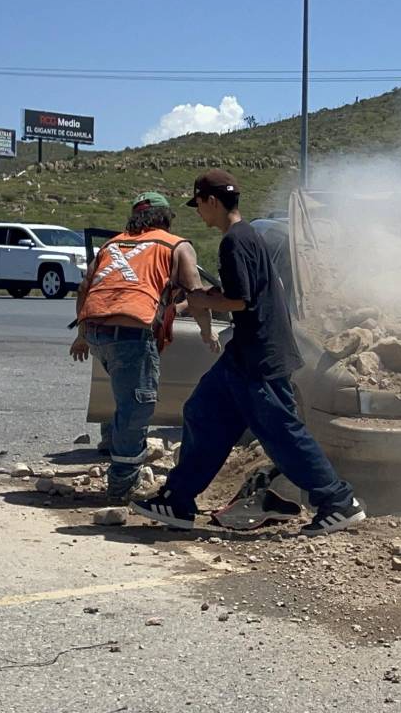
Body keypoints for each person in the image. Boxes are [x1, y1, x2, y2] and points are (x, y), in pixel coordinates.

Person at [131, 170, 366, 535]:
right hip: (244, 354)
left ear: (212, 201)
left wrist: (201, 300)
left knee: (282, 433)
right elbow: (245, 293)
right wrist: (206, 298)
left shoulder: (235, 241)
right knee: (202, 413)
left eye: (199, 205)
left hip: (259, 357)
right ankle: (177, 500)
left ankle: (338, 501)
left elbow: (240, 300)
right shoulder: (247, 236)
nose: (198, 212)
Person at [70, 191, 216, 502]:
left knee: (123, 396)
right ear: (166, 219)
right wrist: (207, 332)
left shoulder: (112, 244)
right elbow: (197, 295)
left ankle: (112, 443)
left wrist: (81, 335)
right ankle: (123, 484)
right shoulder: (176, 245)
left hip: (96, 332)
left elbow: (84, 289)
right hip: (131, 334)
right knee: (137, 407)